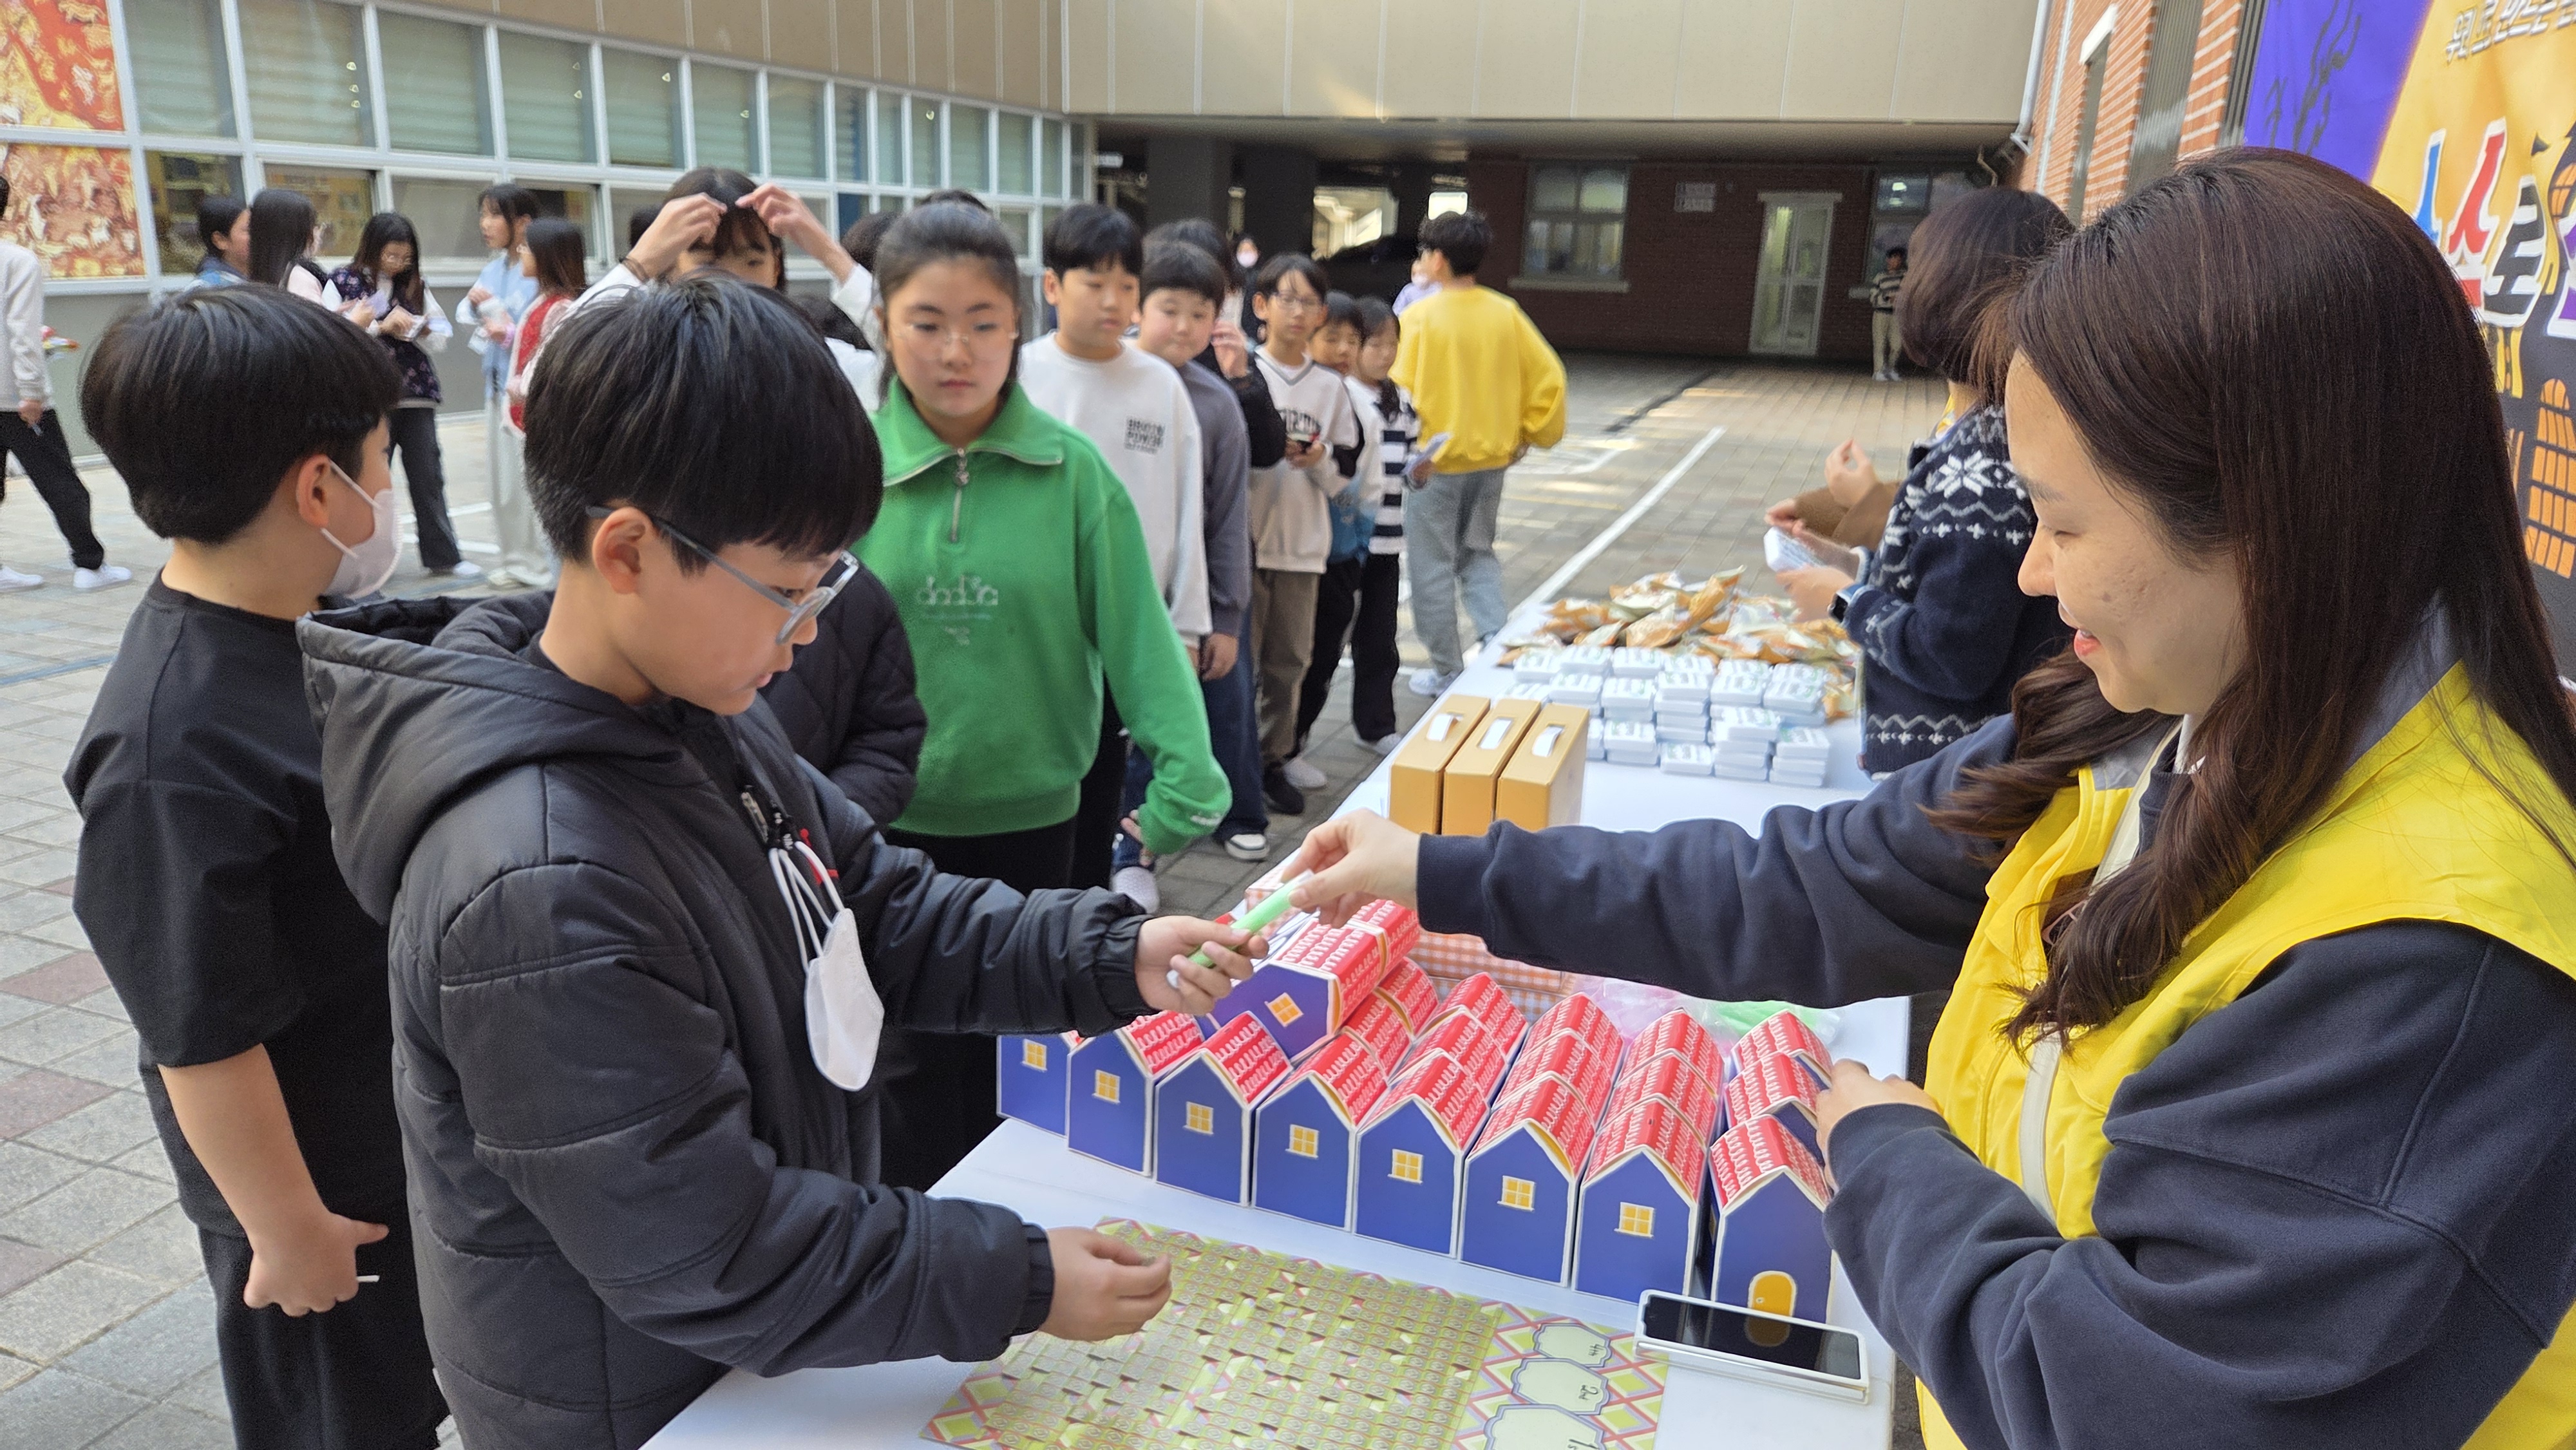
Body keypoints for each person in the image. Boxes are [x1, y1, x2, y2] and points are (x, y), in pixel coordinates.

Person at [1283, 149, 2576, 1450]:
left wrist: (1894, 1157)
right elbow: (1808, 881)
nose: (2027, 569)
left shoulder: (2429, 955)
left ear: (2268, 519)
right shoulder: (2146, 718)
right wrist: (1437, 868)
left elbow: (2122, 1400)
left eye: (2064, 524)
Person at [296, 275, 1266, 1450]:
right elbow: (709, 1243)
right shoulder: (538, 882)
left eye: (829, 585)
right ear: (630, 553)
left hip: (747, 1372)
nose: (810, 629)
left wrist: (1114, 953)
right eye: (789, 589)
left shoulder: (690, 705)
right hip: (639, 1405)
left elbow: (877, 906)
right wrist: (1014, 1276)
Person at [64, 286, 444, 1449]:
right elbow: (200, 1032)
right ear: (318, 489)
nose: (388, 494)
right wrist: (287, 1230)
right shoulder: (168, 747)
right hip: (317, 1192)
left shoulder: (300, 624)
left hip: (387, 1141)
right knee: (344, 1424)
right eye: (382, 463)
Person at [845, 202, 1227, 1189]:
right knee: (906, 1065)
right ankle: (921, 1254)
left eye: (982, 320)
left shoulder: (1071, 474)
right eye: (927, 322)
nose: (956, 349)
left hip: (1037, 824)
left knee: (1029, 1054)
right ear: (885, 321)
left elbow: (1136, 633)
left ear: (1018, 324)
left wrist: (1188, 771)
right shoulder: (846, 476)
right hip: (884, 829)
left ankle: (1016, 1240)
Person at [1774, 189, 2076, 775]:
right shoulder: (1999, 431)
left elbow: (1951, 654)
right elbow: (1950, 586)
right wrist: (1851, 568)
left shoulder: (1986, 459)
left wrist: (1843, 601)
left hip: (1950, 787)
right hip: (1961, 774)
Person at [1019, 203, 1210, 892]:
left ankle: (1093, 905)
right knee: (1045, 786)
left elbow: (1188, 508)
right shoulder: (1019, 376)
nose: (1113, 301)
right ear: (1050, 286)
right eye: (1093, 282)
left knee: (1104, 775)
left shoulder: (1158, 383)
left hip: (1126, 629)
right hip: (1037, 631)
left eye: (1126, 285)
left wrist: (1187, 624)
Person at [1119, 241, 1265, 896]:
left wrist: (1225, 616)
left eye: (1198, 312)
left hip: (1184, 601)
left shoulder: (1214, 403)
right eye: (1167, 309)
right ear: (1136, 306)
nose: (1182, 326)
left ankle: (1138, 847)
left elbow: (1228, 518)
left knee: (1181, 722)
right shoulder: (1096, 378)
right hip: (1099, 598)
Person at [1393, 209, 1566, 697]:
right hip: (1491, 460)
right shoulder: (1504, 312)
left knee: (1431, 567)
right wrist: (1530, 432)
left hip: (1433, 466)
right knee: (1478, 555)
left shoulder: (1418, 318)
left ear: (1439, 259)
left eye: (1426, 252)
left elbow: (1397, 388)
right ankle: (1495, 642)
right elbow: (1549, 377)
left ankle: (1449, 668)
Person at [596, 169, 879, 400]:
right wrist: (639, 263)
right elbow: (562, 366)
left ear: (775, 267)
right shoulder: (644, 365)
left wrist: (832, 254)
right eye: (707, 262)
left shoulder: (817, 363)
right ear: (669, 267)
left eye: (751, 263)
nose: (731, 283)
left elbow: (916, 366)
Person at [1246, 253, 1362, 816]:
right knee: (1234, 667)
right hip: (1241, 548)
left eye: (1309, 301)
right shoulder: (1241, 373)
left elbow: (1346, 478)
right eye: (1285, 299)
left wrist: (1316, 460)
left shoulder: (1333, 390)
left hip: (1303, 548)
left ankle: (1273, 760)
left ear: (1321, 313)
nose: (1297, 311)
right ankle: (1231, 767)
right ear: (1261, 306)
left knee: (1288, 663)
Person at [0, 173, 129, 592]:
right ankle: (90, 565)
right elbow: (22, 330)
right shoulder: (16, 261)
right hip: (15, 397)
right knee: (59, 480)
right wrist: (33, 391)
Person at [1287, 292, 1396, 780]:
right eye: (1332, 337)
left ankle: (1294, 744)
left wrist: (1358, 539)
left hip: (1341, 554)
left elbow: (1372, 486)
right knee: (1285, 656)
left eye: (1353, 339)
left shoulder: (1364, 407)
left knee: (1323, 652)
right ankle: (1277, 748)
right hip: (1288, 549)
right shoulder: (1293, 395)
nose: (1343, 349)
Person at [330, 212, 475, 581]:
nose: (397, 264)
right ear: (373, 248)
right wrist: (379, 326)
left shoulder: (415, 287)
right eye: (391, 255)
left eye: (405, 257)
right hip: (368, 399)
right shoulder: (342, 281)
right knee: (366, 482)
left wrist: (418, 328)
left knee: (428, 476)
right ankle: (362, 561)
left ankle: (444, 557)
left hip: (415, 397)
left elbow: (442, 336)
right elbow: (328, 335)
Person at [1146, 220, 1289, 484]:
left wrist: (1241, 378)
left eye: (1201, 307)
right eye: (1170, 308)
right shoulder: (1123, 356)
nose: (1183, 326)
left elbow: (1267, 453)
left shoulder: (1228, 352)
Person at [457, 184, 545, 586]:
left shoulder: (539, 267)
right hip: (497, 387)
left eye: (494, 216)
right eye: (483, 215)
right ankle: (515, 562)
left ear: (522, 222)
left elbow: (541, 326)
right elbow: (465, 309)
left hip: (531, 394)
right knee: (503, 482)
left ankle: (541, 565)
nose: (485, 225)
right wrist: (481, 310)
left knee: (531, 481)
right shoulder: (493, 268)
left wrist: (505, 327)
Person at [502, 218, 587, 437]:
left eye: (526, 247)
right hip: (532, 416)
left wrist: (520, 387)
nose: (521, 251)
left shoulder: (562, 308)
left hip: (548, 422)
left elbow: (552, 369)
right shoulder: (544, 301)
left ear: (546, 256)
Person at [247, 188, 343, 311]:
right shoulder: (300, 280)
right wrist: (357, 321)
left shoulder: (253, 279)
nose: (317, 232)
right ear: (301, 232)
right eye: (314, 225)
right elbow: (314, 329)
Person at [189, 193, 251, 288]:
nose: (259, 235)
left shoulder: (257, 279)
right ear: (220, 240)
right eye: (248, 230)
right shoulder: (207, 290)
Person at [1869, 244, 1909, 381]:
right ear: (1888, 260)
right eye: (1893, 258)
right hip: (1881, 313)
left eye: (1899, 259)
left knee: (1897, 345)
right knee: (1879, 343)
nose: (1896, 261)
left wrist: (1899, 298)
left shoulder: (1904, 276)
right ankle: (1878, 371)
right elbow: (1873, 297)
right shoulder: (1880, 277)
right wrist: (1887, 297)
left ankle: (1890, 368)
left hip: (1897, 314)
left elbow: (1908, 292)